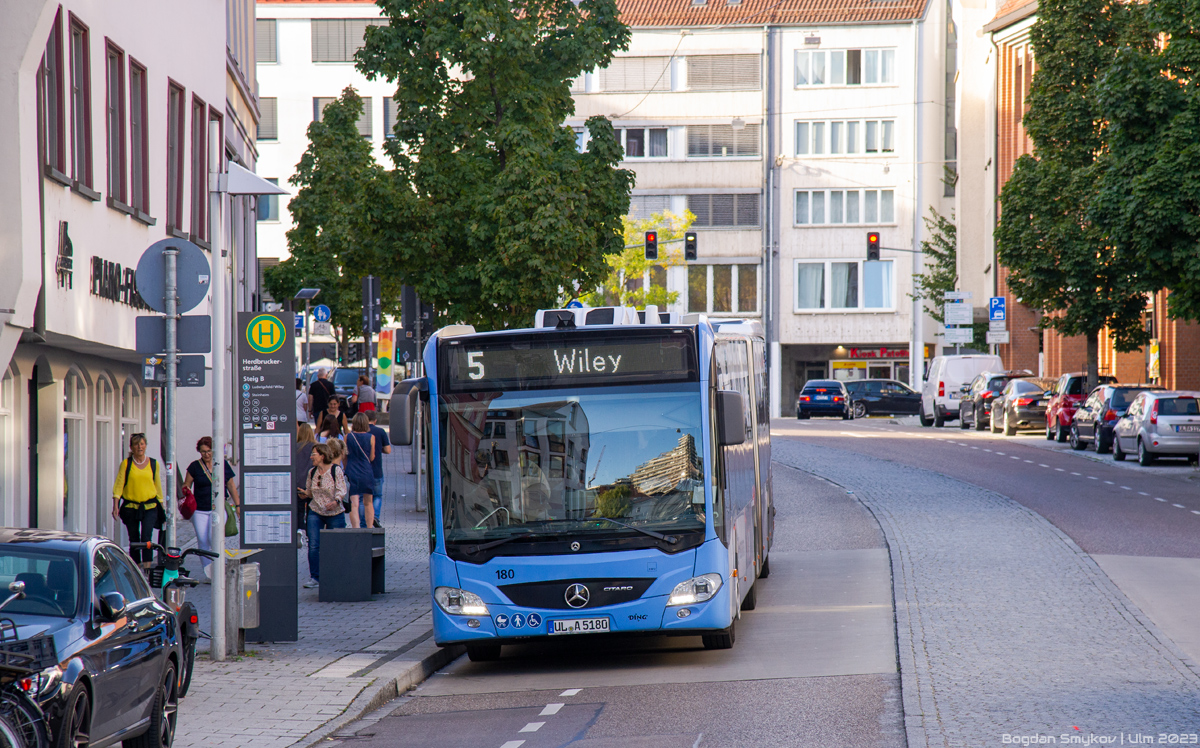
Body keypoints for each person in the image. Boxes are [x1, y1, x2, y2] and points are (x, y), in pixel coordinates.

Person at [182, 436, 240, 579]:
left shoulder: (222, 464)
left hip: (218, 508)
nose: (206, 455)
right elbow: (186, 484)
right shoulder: (194, 467)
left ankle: (219, 568)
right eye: (203, 452)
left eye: (208, 451)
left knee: (213, 536)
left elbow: (231, 485)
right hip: (200, 509)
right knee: (202, 541)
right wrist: (186, 491)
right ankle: (209, 573)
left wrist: (238, 505)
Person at [111, 433, 164, 570]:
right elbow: (119, 485)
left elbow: (157, 485)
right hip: (130, 506)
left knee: (146, 537)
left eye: (142, 444)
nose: (139, 447)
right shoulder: (126, 464)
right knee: (134, 538)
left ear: (145, 445)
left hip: (150, 506)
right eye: (136, 444)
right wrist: (115, 505)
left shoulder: (153, 463)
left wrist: (162, 506)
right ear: (131, 447)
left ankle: (146, 569)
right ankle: (136, 568)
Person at [297, 443, 347, 589]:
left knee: (336, 545)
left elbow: (341, 489)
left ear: (322, 456)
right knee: (313, 545)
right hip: (315, 511)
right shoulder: (312, 472)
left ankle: (336, 575)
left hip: (335, 512)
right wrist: (304, 494)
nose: (311, 456)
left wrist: (336, 501)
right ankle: (315, 577)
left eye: (314, 454)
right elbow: (310, 492)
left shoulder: (335, 470)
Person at [344, 414, 376, 528]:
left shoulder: (348, 437)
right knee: (368, 503)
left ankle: (356, 529)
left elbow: (345, 456)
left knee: (354, 504)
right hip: (366, 471)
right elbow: (372, 457)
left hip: (351, 470)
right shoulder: (371, 437)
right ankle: (368, 528)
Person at [365, 410, 391, 527]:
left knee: (362, 498)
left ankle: (364, 519)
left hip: (362, 470)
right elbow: (388, 450)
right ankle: (375, 517)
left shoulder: (359, 432)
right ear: (375, 420)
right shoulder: (380, 432)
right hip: (376, 469)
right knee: (377, 496)